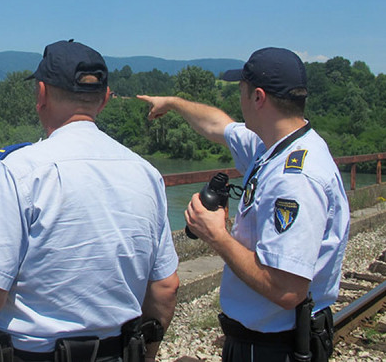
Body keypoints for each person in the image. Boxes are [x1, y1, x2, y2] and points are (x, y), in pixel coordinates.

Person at [0, 40, 179, 362]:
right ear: (105, 98)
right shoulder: (147, 174)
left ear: (41, 93)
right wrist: (144, 354)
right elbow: (166, 287)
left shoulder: (18, 170)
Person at [138, 47, 349, 362]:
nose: (239, 99)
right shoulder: (273, 147)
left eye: (242, 91)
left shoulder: (296, 179)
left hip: (274, 349)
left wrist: (217, 235)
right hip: (262, 342)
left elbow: (286, 290)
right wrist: (173, 103)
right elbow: (217, 125)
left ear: (258, 97)